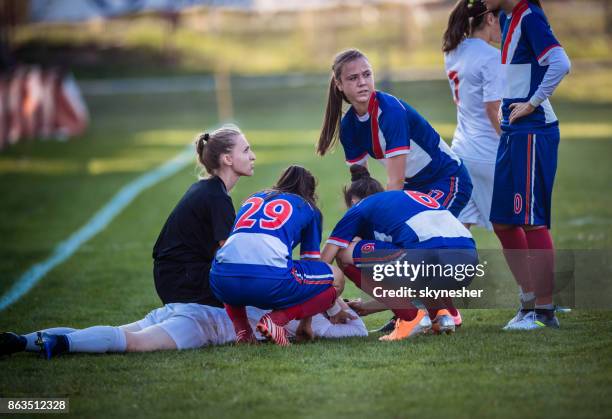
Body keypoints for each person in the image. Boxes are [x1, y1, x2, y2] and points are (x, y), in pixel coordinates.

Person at [0, 125, 257, 358]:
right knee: (250, 298)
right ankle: (59, 344)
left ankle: (23, 341)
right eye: (246, 150)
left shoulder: (208, 189)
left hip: (176, 276)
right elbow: (230, 256)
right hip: (185, 280)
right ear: (227, 159)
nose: (252, 156)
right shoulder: (216, 197)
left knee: (120, 330)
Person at [483, 0, 571, 330]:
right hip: (513, 133)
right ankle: (529, 301)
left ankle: (544, 312)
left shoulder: (531, 16)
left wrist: (533, 103)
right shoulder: (508, 17)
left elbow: (560, 63)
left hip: (533, 131)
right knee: (503, 222)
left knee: (531, 221)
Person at [321, 165, 478, 342]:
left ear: (352, 203)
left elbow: (324, 263)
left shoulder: (359, 209)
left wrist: (332, 306)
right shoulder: (404, 201)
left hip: (429, 260)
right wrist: (366, 307)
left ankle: (410, 319)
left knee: (344, 253)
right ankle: (442, 315)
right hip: (469, 263)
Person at [317, 48, 473, 218]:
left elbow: (395, 182)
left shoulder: (391, 112)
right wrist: (359, 219)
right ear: (339, 84)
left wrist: (384, 217)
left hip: (446, 178)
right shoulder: (348, 127)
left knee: (423, 231)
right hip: (412, 187)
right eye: (353, 78)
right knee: (394, 237)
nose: (362, 82)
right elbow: (361, 183)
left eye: (367, 74)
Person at [210, 166, 346, 347]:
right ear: (310, 191)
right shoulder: (307, 207)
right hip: (269, 281)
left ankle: (243, 331)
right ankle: (276, 320)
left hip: (220, 280)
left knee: (233, 264)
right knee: (336, 277)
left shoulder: (253, 199)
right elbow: (311, 262)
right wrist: (308, 322)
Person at [443, 0, 502, 230]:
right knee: (513, 229)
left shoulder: (452, 51)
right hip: (488, 153)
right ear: (489, 18)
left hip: (461, 151)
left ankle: (452, 268)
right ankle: (532, 268)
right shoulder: (491, 57)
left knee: (459, 228)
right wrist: (510, 142)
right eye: (500, 20)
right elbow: (492, 108)